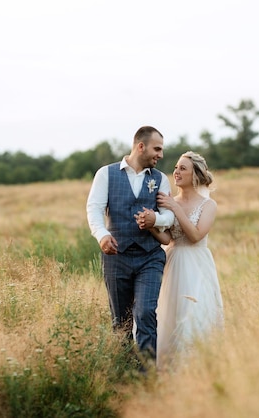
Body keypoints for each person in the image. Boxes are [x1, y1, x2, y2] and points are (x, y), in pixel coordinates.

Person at [86, 126, 174, 365]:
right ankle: (124, 376)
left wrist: (156, 219)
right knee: (121, 321)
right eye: (157, 149)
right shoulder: (106, 174)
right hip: (117, 257)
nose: (161, 155)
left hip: (150, 257)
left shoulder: (160, 179)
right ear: (141, 146)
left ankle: (147, 376)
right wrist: (102, 235)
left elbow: (169, 216)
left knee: (145, 313)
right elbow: (93, 208)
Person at [137, 151, 224, 369]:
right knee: (169, 316)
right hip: (173, 262)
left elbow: (195, 236)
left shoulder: (208, 205)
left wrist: (175, 208)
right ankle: (166, 372)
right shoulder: (169, 202)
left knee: (194, 317)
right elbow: (168, 238)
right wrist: (151, 227)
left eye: (183, 168)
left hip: (196, 265)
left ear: (196, 175)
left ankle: (195, 369)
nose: (176, 172)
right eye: (176, 167)